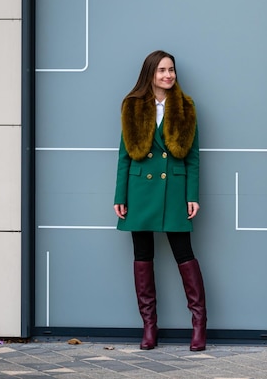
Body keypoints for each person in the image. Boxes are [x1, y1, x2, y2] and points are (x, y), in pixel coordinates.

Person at [113, 50, 206, 351]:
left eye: (172, 70)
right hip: (140, 190)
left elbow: (193, 157)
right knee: (142, 256)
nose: (168, 75)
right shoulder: (133, 106)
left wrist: (192, 195)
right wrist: (120, 195)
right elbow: (124, 155)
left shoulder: (186, 107)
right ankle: (149, 326)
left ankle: (199, 324)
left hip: (174, 190)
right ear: (150, 74)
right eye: (162, 70)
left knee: (184, 253)